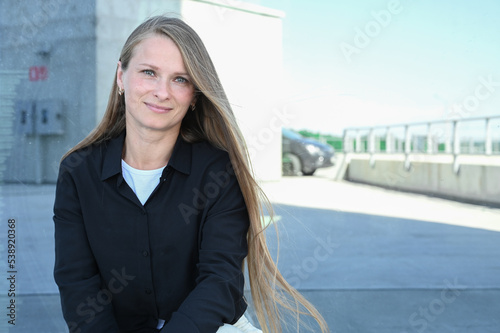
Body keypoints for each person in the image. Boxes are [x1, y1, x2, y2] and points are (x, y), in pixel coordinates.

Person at [53, 15, 329, 333]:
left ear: (195, 95)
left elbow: (220, 282)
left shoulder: (220, 172)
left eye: (180, 79)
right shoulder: (77, 172)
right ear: (120, 76)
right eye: (148, 72)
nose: (162, 91)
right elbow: (77, 283)